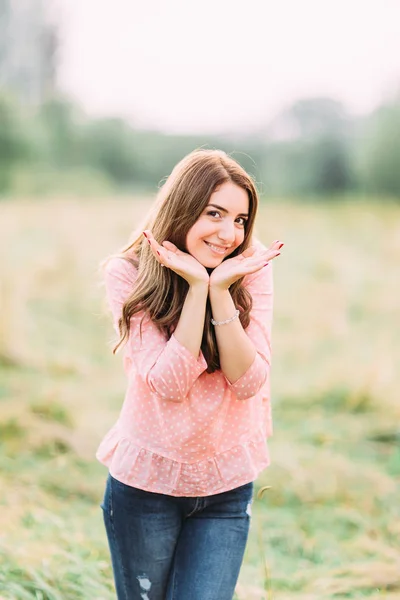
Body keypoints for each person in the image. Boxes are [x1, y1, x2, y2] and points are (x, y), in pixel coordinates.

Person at [97, 149, 283, 600]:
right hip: (146, 488)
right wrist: (197, 287)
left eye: (240, 220)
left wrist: (220, 290)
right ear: (183, 207)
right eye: (214, 213)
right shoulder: (129, 272)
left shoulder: (248, 268)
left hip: (225, 487)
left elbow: (249, 380)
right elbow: (169, 383)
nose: (228, 234)